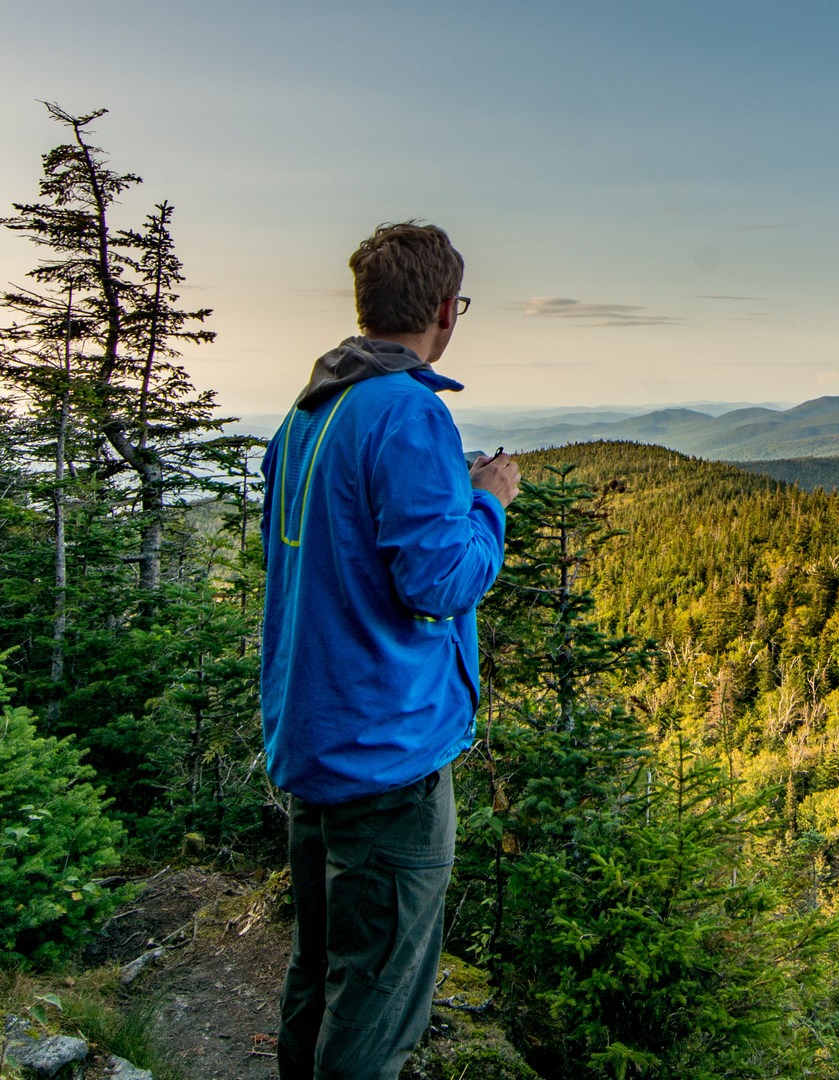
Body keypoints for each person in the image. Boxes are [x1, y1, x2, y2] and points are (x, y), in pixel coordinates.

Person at [260, 222, 520, 1079]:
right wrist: (487, 502)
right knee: (377, 998)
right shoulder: (409, 412)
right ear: (446, 311)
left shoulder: (307, 414)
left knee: (320, 966)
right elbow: (439, 583)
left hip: (312, 737)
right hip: (388, 752)